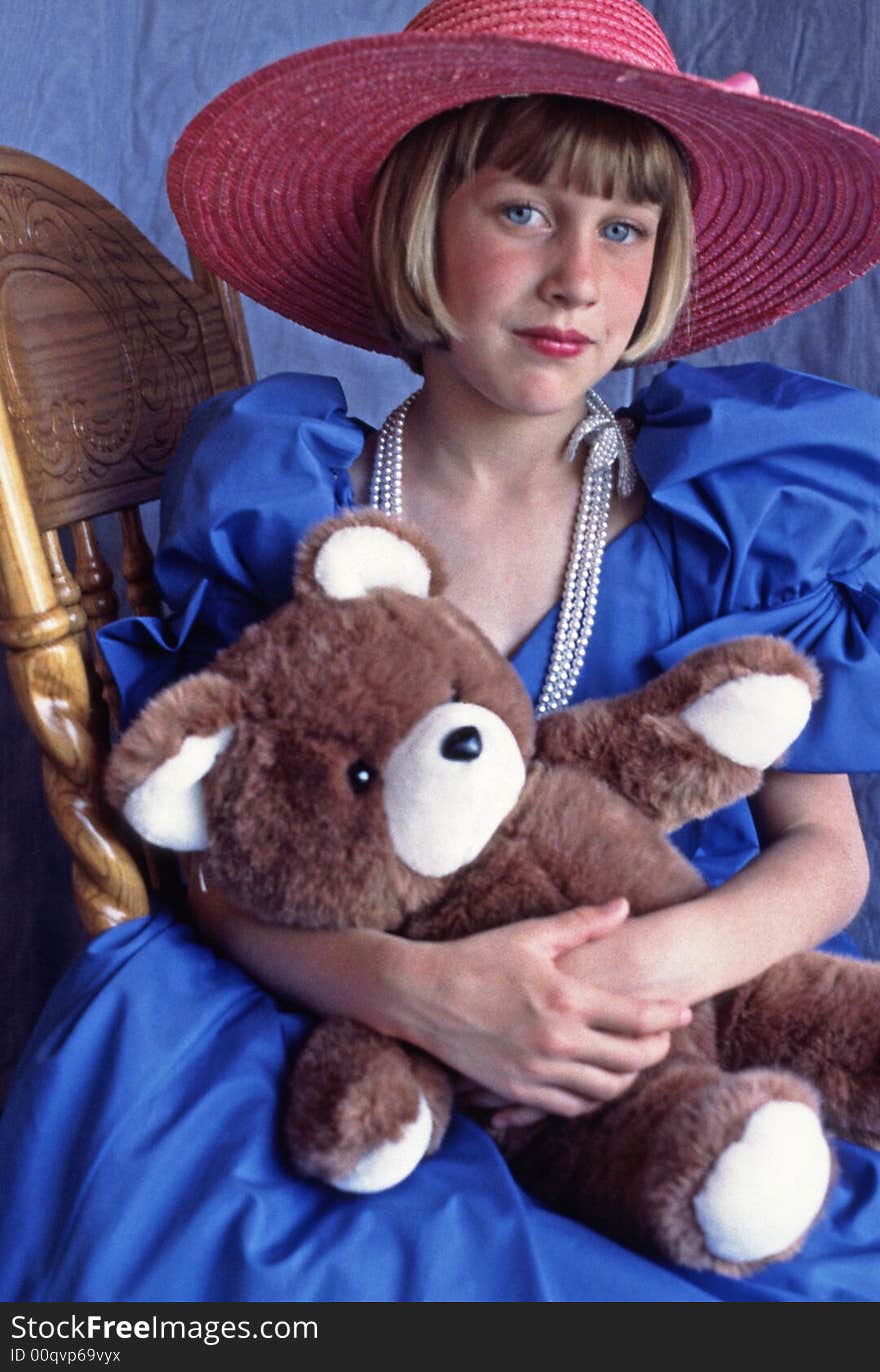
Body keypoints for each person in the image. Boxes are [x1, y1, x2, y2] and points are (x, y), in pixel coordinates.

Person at [1, 0, 879, 1302]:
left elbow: (827, 856)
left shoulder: (731, 518)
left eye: (624, 228)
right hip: (352, 1016)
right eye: (523, 211)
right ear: (420, 223)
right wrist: (422, 994)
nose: (578, 274)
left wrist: (648, 969)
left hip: (657, 1027)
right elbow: (228, 868)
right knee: (285, 1234)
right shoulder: (293, 505)